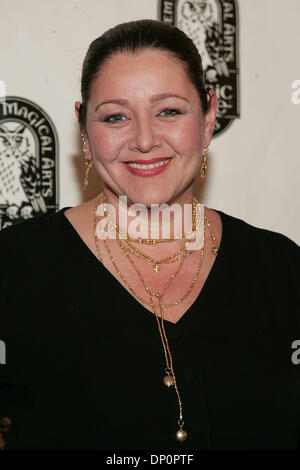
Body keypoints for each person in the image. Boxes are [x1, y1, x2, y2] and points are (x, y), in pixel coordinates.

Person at [0, 19, 299, 451]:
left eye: (169, 111)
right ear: (85, 130)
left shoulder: (282, 271)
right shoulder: (14, 269)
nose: (144, 140)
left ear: (210, 115)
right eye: (116, 116)